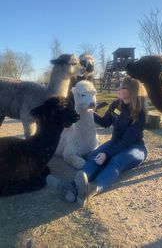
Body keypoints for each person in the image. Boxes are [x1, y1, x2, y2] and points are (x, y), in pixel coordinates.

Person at [46, 77, 148, 206]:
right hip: (115, 142)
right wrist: (86, 112)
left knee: (115, 161)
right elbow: (105, 123)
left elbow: (127, 141)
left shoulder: (140, 113)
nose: (119, 89)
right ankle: (71, 186)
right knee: (95, 157)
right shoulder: (116, 105)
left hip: (135, 147)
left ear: (132, 91)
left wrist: (107, 154)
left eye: (122, 87)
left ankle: (91, 189)